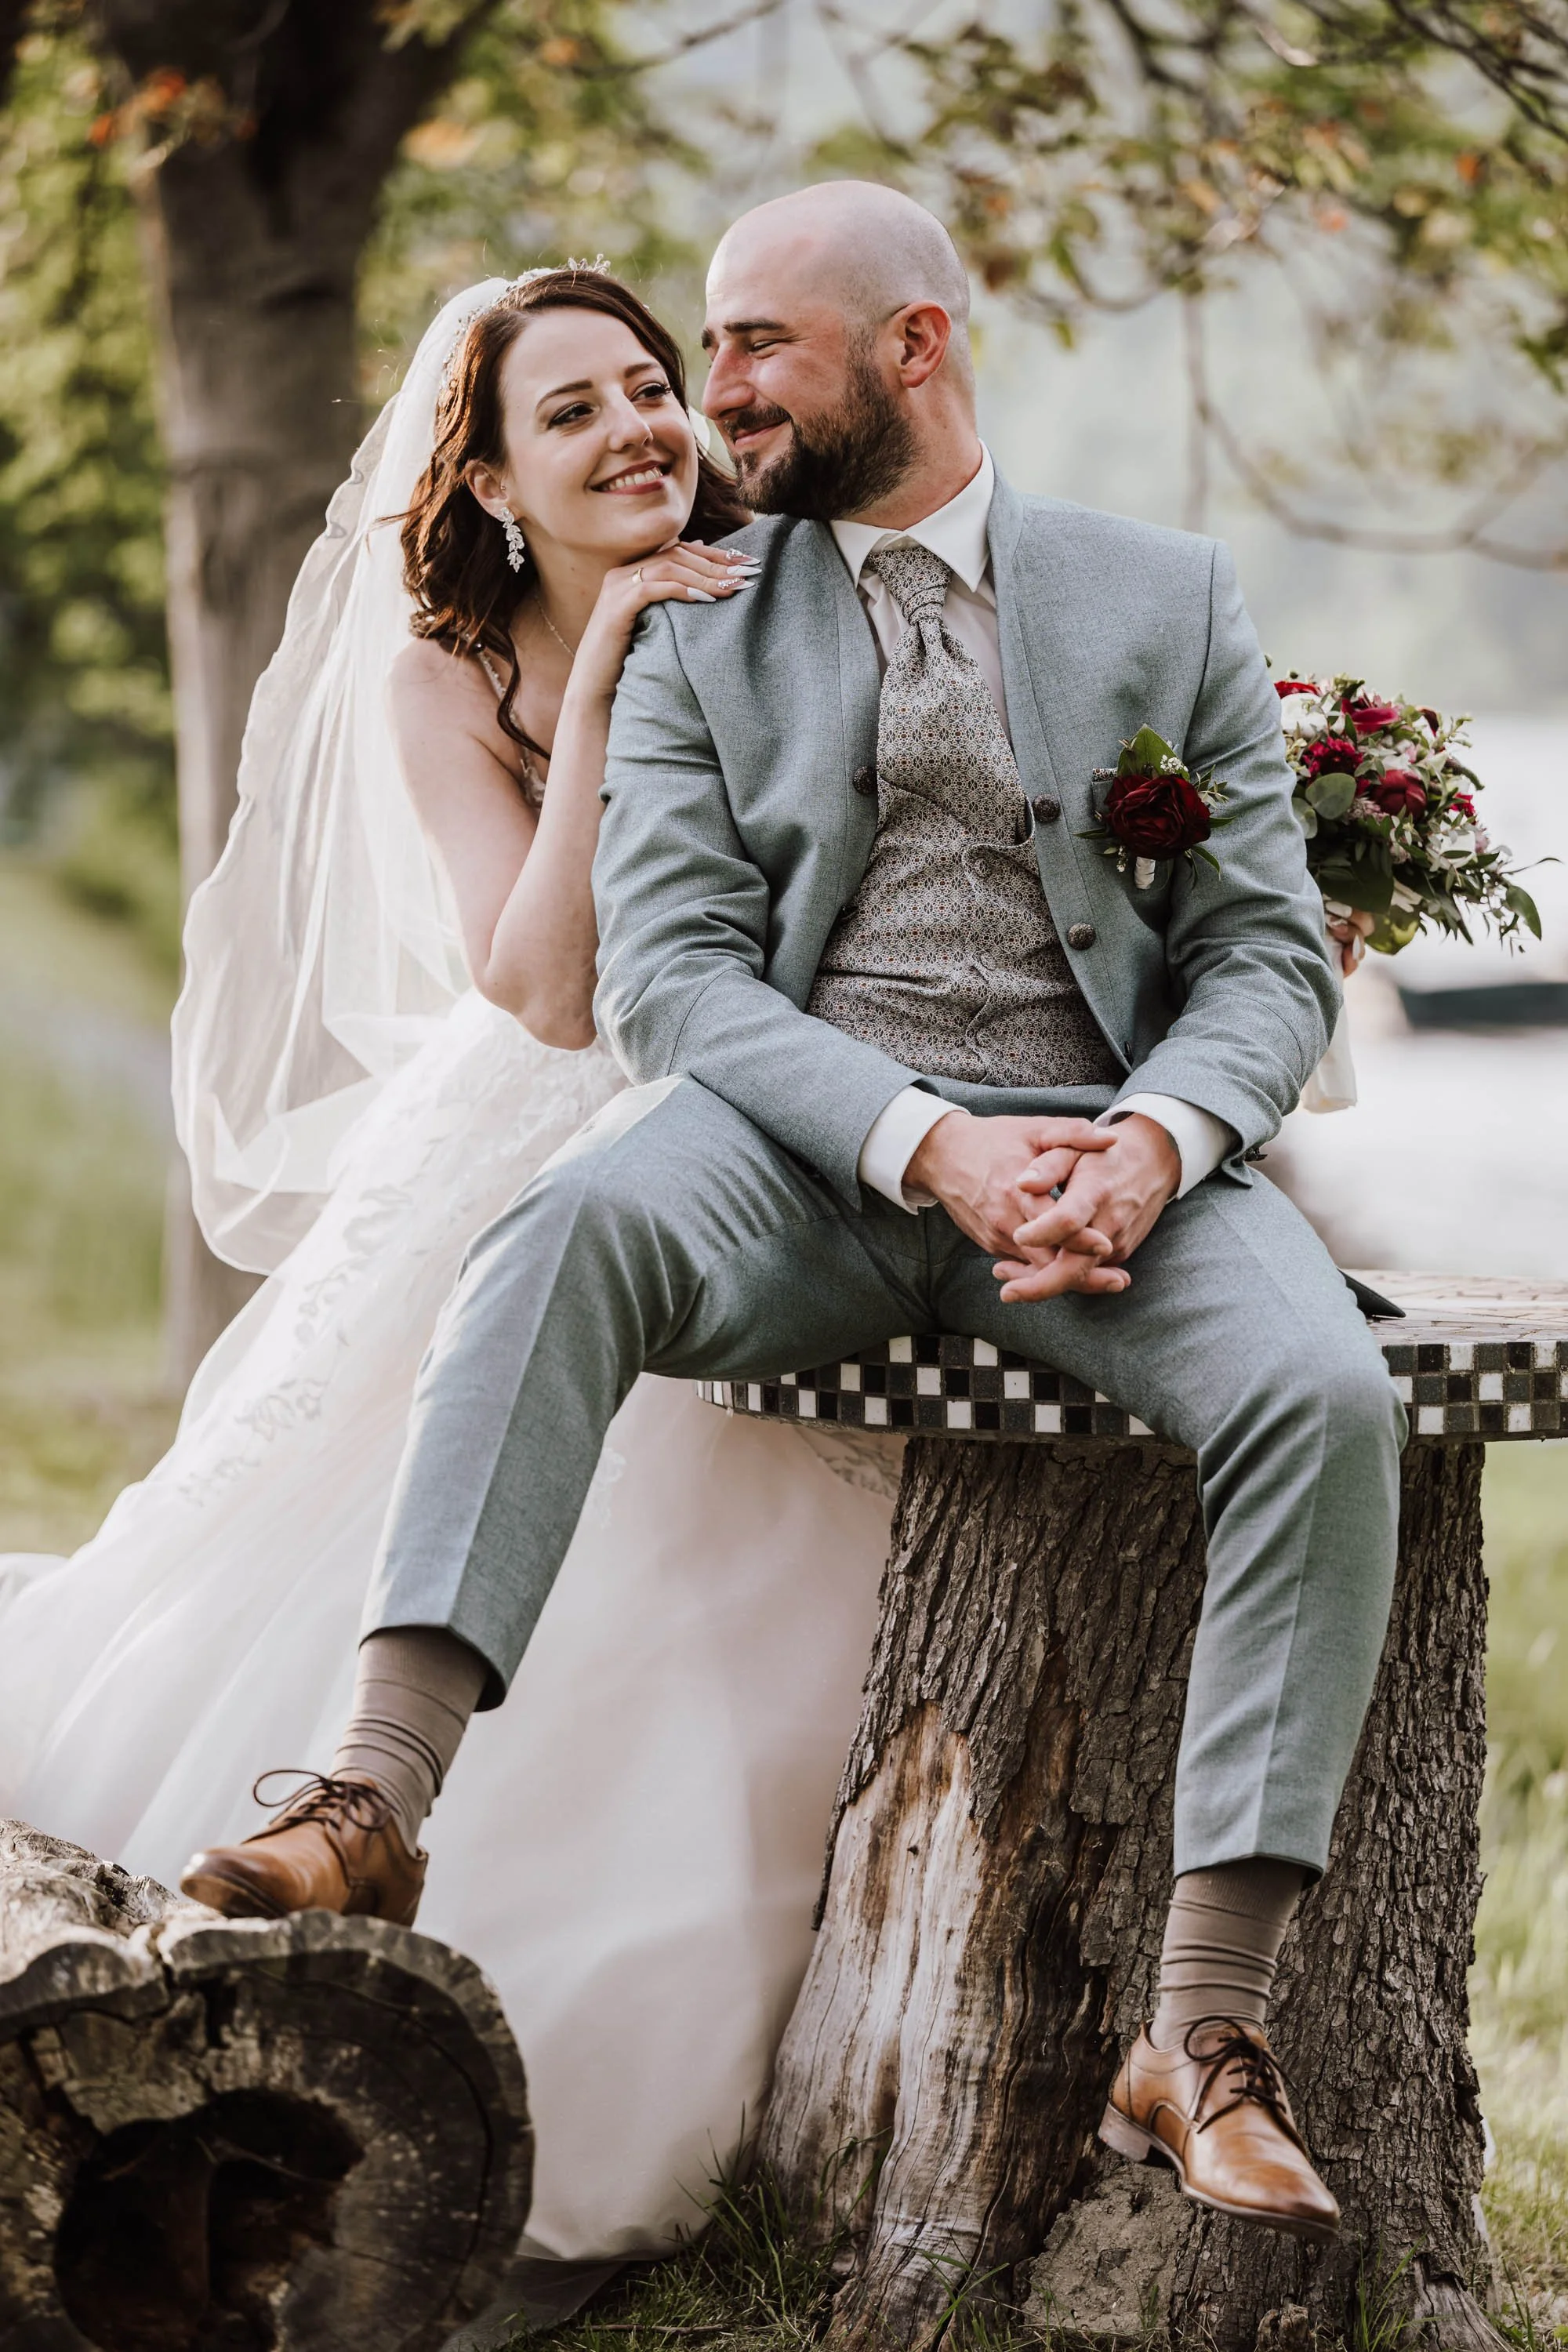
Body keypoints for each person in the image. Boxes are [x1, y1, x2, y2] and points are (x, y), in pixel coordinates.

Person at [189, 180, 1407, 2249]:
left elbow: (1271, 962)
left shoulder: (1158, 596)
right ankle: (371, 1795)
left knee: (1331, 1397)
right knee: (560, 1234)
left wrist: (1155, 1144)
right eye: (705, 348)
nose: (714, 386)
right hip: (811, 1159)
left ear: (915, 348)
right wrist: (928, 1141)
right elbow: (666, 978)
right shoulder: (689, 613)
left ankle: (1199, 2035)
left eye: (754, 345)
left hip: (1120, 1159)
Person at [0, 267, 897, 2277]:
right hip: (555, 1096)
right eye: (569, 411)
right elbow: (539, 987)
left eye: (652, 388)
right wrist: (593, 694)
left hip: (774, 1096)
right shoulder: (449, 673)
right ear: (487, 473)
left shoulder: (793, 588)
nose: (636, 431)